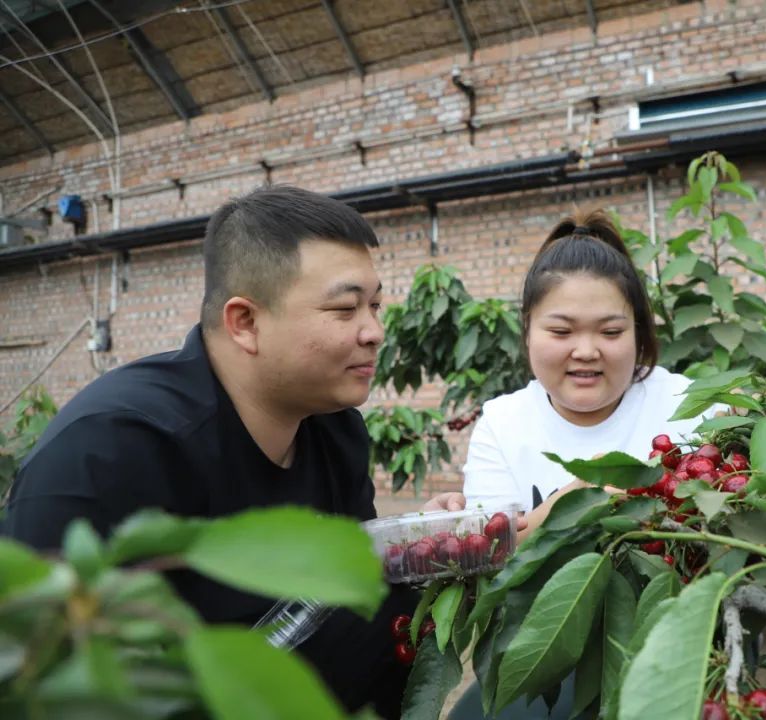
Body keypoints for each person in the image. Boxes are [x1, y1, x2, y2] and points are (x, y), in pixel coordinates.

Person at [0, 186, 472, 716]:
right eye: (345, 309)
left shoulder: (336, 432)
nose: (375, 332)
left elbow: (346, 594)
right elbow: (43, 679)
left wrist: (409, 544)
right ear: (244, 322)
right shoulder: (112, 449)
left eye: (376, 305)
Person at [463, 209, 723, 537]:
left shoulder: (692, 406)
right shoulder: (501, 426)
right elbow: (487, 555)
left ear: (637, 332)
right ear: (528, 330)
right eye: (561, 331)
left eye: (611, 332)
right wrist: (582, 498)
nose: (586, 351)